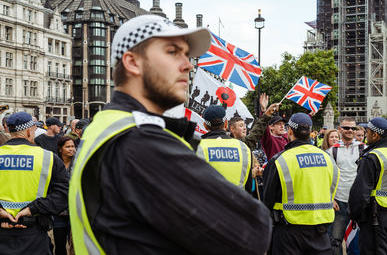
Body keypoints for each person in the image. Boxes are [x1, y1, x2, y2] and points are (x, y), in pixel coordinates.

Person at [69, 14, 272, 254]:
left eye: (187, 55)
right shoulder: (141, 143)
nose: (188, 64)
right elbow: (252, 229)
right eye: (172, 52)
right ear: (133, 62)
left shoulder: (105, 125)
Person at [263, 112, 340, 255]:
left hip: (288, 231)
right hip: (320, 230)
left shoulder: (279, 160)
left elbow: (268, 199)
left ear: (290, 131)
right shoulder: (328, 158)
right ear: (310, 132)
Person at [0, 112, 69, 254]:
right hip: (34, 233)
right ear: (28, 131)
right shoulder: (48, 158)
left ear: (8, 130)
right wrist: (32, 209)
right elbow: (64, 195)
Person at [349, 117, 387, 255]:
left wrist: (356, 216)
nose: (366, 135)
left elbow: (359, 194)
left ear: (375, 134)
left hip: (377, 219)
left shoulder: (372, 157)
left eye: (367, 131)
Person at [326, 117, 365, 255]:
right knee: (335, 241)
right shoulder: (331, 151)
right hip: (339, 202)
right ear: (340, 129)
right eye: (347, 128)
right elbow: (326, 177)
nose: (350, 130)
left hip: (358, 203)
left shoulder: (364, 149)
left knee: (357, 242)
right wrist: (330, 198)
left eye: (353, 128)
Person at [196, 105, 253, 192]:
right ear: (226, 123)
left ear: (205, 125)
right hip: (237, 203)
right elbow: (249, 187)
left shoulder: (197, 147)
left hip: (207, 203)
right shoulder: (243, 148)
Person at [53, 136, 76, 255]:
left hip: (74, 211)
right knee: (59, 244)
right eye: (68, 147)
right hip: (59, 211)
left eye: (73, 146)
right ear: (60, 148)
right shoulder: (54, 163)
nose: (71, 149)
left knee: (74, 245)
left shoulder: (78, 163)